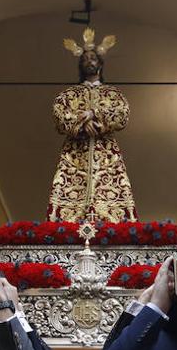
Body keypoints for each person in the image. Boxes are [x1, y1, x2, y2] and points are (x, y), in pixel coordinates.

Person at [46, 28, 137, 222]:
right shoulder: (69, 94)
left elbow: (122, 113)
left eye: (92, 58)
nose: (89, 60)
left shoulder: (113, 94)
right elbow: (59, 113)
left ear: (100, 64)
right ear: (81, 66)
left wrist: (95, 115)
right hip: (74, 154)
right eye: (85, 58)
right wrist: (82, 121)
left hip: (106, 154)